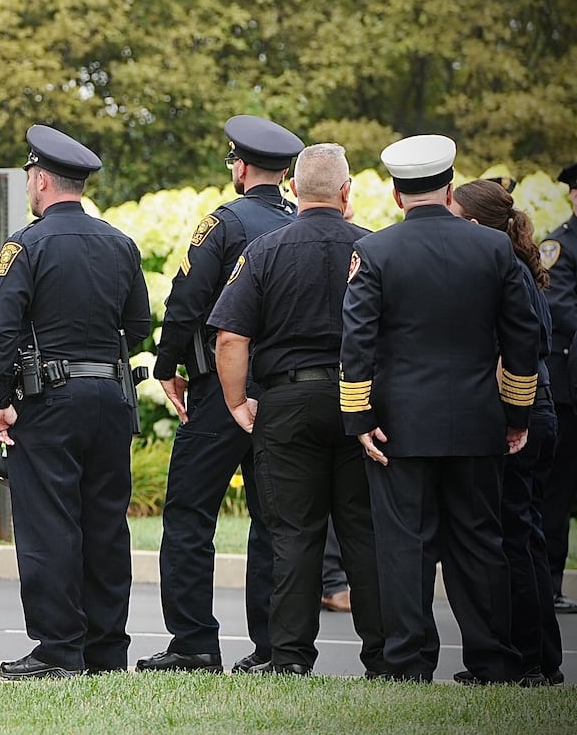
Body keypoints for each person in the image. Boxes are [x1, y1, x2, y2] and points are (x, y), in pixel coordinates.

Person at [341, 135, 539, 684]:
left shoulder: (377, 251)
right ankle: (491, 662)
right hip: (478, 421)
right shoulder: (494, 250)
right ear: (449, 188)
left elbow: (356, 342)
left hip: (399, 426)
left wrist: (359, 418)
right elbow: (522, 339)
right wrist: (516, 414)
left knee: (404, 547)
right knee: (480, 543)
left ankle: (407, 665)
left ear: (399, 195)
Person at [207, 143, 385, 677]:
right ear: (347, 191)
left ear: (292, 188)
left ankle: (288, 659)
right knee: (363, 534)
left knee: (293, 535)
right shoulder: (376, 248)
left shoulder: (265, 250)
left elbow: (230, 337)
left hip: (286, 403)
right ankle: (384, 656)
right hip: (360, 402)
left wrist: (237, 403)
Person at [0, 125, 151, 680]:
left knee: (50, 524)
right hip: (109, 397)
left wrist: (0, 401)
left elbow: (2, 330)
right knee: (106, 524)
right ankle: (106, 649)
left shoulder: (25, 246)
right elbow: (137, 326)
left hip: (50, 401)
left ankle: (59, 649)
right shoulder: (120, 243)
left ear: (41, 180)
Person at [138, 115, 302, 675]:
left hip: (218, 391)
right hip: (282, 393)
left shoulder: (225, 222)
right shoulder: (299, 221)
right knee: (273, 522)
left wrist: (167, 365)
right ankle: (273, 647)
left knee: (188, 515)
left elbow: (187, 298)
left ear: (242, 165)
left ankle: (193, 643)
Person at [452, 179, 562, 685]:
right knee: (527, 538)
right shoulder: (518, 266)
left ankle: (525, 660)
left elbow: (516, 350)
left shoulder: (503, 271)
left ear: (473, 225)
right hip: (539, 411)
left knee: (511, 540)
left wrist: (510, 419)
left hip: (520, 413)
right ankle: (542, 659)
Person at [539, 162, 577, 614]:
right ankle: (548, 582)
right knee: (557, 493)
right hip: (568, 387)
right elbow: (563, 311)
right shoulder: (560, 246)